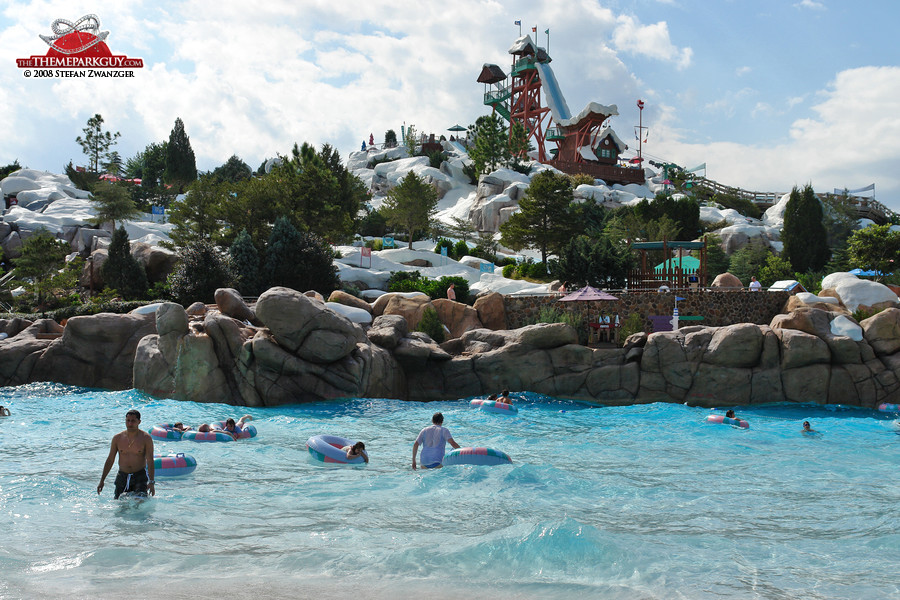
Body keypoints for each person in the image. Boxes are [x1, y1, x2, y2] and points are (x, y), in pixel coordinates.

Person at [98, 409, 155, 499]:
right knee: (119, 504)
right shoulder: (117, 438)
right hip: (122, 475)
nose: (130, 423)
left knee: (140, 504)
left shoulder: (146, 438)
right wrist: (102, 480)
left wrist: (151, 482)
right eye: (128, 421)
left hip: (139, 476)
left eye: (133, 421)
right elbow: (110, 459)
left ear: (139, 422)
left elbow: (150, 460)